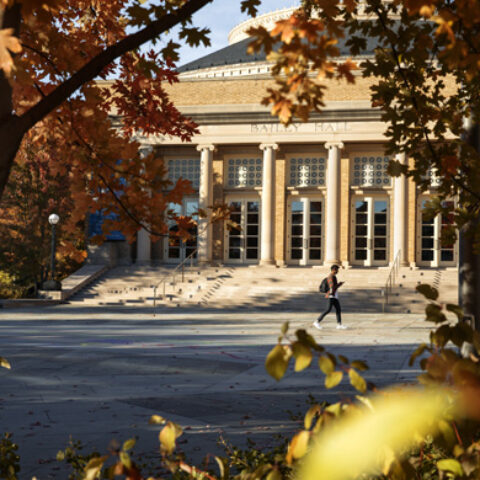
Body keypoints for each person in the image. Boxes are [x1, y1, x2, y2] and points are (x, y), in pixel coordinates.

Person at [313, 265, 347, 330]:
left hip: (334, 296)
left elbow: (333, 286)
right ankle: (317, 322)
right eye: (337, 269)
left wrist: (339, 284)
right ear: (333, 270)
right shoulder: (331, 277)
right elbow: (332, 287)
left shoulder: (333, 276)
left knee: (338, 309)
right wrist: (339, 284)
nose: (337, 271)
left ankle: (339, 324)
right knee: (328, 309)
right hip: (331, 295)